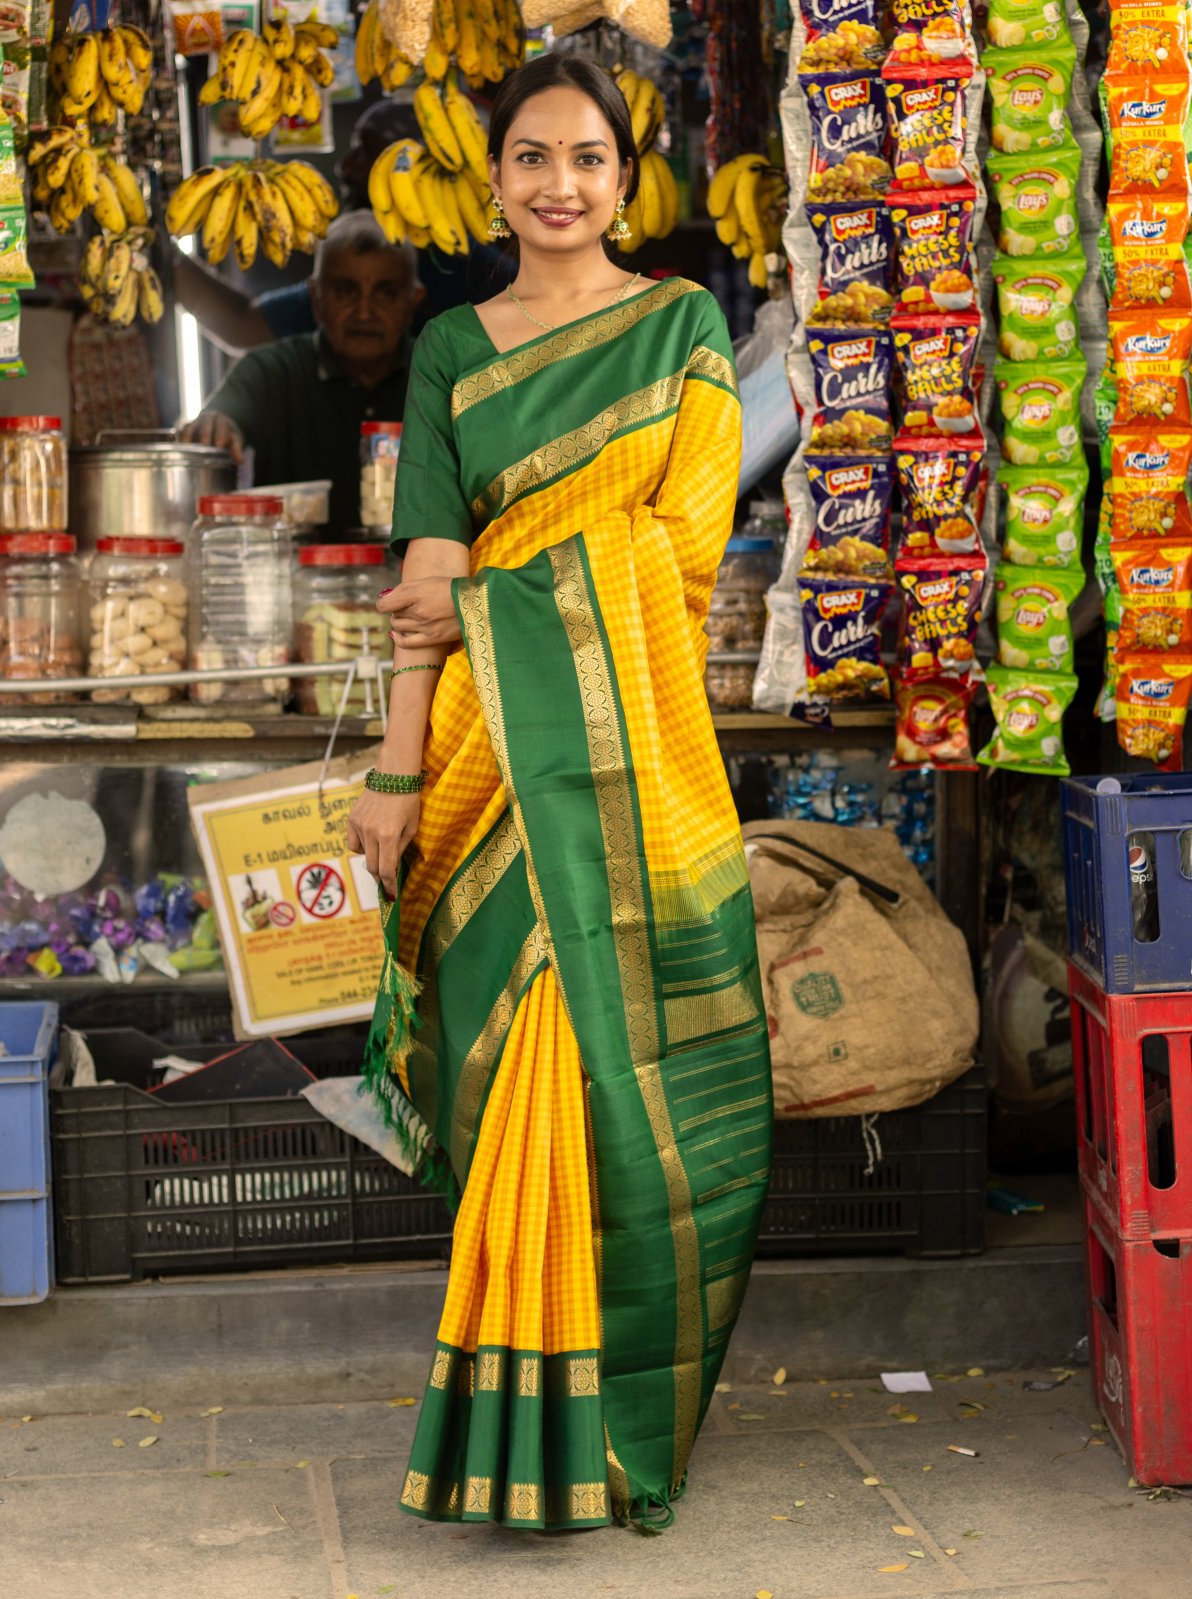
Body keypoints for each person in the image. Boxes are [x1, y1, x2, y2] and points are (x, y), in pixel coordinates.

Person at [346, 53, 773, 1534]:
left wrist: (500, 604)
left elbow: (691, 545)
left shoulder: (681, 323)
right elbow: (428, 582)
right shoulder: (454, 346)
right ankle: (519, 1429)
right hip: (482, 757)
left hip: (630, 749)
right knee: (517, 1074)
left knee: (636, 1093)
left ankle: (619, 1420)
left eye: (588, 158)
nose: (559, 185)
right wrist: (397, 770)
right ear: (495, 172)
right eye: (531, 156)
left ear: (627, 170)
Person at [172, 100, 513, 355]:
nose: (344, 166)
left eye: (365, 154)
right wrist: (164, 257)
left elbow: (242, 327)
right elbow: (244, 324)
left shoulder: (486, 275)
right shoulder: (365, 258)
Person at [177, 210, 422, 530]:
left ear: (413, 301)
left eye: (385, 293)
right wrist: (215, 428)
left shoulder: (445, 375)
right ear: (316, 298)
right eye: (345, 291)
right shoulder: (270, 371)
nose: (364, 311)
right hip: (291, 574)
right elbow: (222, 421)